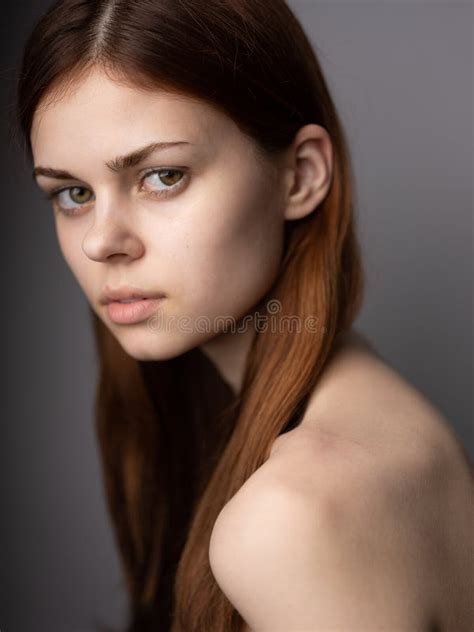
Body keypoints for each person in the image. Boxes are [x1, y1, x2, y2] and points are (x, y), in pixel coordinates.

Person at [15, 0, 473, 630]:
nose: (101, 241)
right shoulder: (362, 400)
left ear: (300, 176)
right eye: (72, 193)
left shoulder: (294, 514)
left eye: (163, 175)